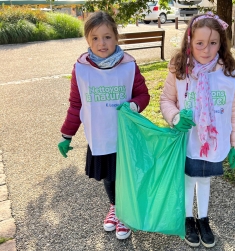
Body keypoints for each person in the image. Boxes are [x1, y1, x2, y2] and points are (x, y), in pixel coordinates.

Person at [58, 11, 150, 240]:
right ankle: (115, 207)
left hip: (125, 136)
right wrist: (66, 135)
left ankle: (126, 213)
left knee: (125, 176)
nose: (102, 43)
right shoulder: (81, 69)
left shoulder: (128, 65)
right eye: (95, 38)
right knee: (109, 177)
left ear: (116, 38)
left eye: (107, 37)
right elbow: (76, 105)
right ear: (88, 41)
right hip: (101, 136)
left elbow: (143, 95)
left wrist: (134, 105)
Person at [160, 12, 235, 248]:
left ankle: (204, 219)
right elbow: (166, 100)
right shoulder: (179, 68)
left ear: (221, 43)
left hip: (214, 141)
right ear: (190, 41)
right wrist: (175, 116)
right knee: (189, 180)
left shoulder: (227, 72)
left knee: (205, 180)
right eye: (199, 43)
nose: (206, 49)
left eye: (213, 43)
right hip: (188, 140)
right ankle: (188, 219)